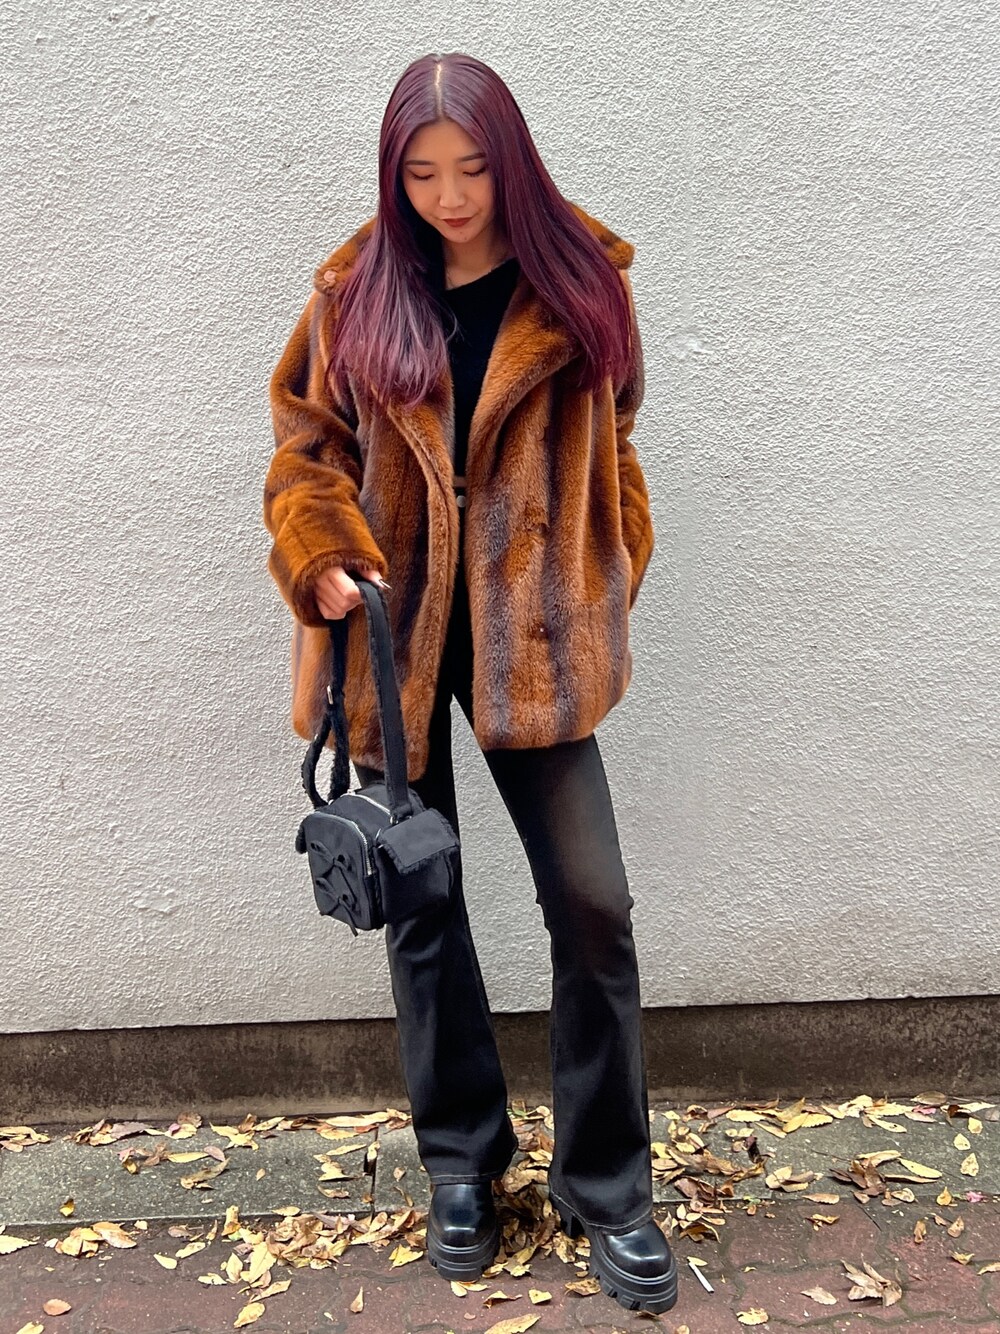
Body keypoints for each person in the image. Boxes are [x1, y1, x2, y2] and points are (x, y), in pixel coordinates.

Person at [263, 52, 675, 1316]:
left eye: (474, 169)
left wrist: (608, 564)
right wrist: (323, 555)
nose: (449, 198)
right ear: (395, 177)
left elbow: (618, 435)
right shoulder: (354, 292)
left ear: (514, 163)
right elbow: (307, 449)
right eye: (423, 174)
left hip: (536, 634)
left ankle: (606, 1184)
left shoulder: (581, 283)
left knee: (593, 907)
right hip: (393, 634)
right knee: (422, 907)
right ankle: (462, 1162)